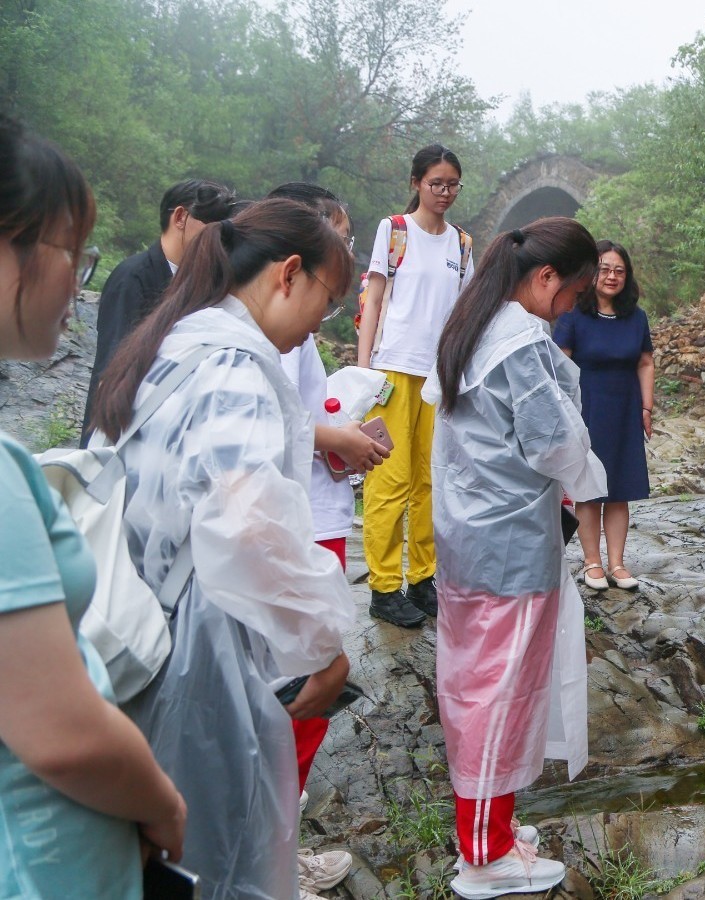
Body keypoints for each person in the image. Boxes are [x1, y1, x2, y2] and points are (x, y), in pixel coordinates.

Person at [89, 199, 359, 900]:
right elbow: (248, 520)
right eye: (328, 302)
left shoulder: (173, 343)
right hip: (197, 650)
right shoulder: (235, 366)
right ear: (289, 274)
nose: (320, 326)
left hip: (136, 627)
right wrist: (321, 645)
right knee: (217, 852)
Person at [0, 115, 187, 900]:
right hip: (47, 863)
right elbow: (61, 735)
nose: (78, 283)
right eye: (71, 252)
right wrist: (163, 802)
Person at [424, 218, 600, 898]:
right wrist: (586, 470)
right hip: (509, 545)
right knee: (496, 695)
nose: (570, 309)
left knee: (479, 684)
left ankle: (491, 830)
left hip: (469, 535)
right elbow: (554, 441)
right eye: (574, 294)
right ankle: (484, 856)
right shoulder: (521, 340)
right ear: (548, 278)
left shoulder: (477, 323)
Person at [265, 181, 386, 899]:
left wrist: (338, 434)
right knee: (302, 691)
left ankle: (279, 847)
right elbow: (273, 422)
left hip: (314, 510)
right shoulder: (267, 331)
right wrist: (338, 438)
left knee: (296, 693)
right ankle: (273, 863)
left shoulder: (286, 327)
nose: (348, 252)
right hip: (301, 523)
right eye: (340, 237)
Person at [356, 144, 474, 627]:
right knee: (389, 478)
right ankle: (384, 587)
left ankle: (424, 578)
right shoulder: (395, 230)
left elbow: (464, 314)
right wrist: (364, 371)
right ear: (416, 183)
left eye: (452, 185)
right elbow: (374, 299)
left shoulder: (462, 244)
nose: (444, 192)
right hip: (391, 370)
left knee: (431, 479)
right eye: (435, 183)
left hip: (438, 375)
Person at [81, 179, 237, 444]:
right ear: (180, 217)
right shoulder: (133, 277)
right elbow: (114, 366)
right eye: (211, 226)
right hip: (118, 432)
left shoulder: (199, 282)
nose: (217, 239)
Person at [553, 240, 654, 591]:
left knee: (619, 488)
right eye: (605, 269)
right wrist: (561, 412)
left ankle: (618, 564)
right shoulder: (573, 315)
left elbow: (645, 362)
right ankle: (592, 562)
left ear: (627, 276)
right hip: (586, 409)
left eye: (619, 271)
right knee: (588, 488)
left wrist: (646, 407)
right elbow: (559, 363)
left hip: (625, 409)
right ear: (592, 273)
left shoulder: (636, 317)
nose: (612, 276)